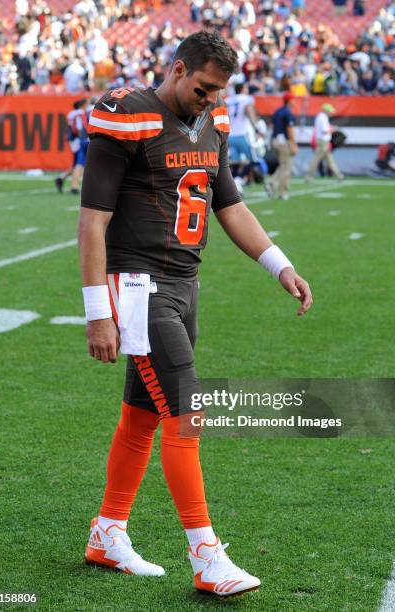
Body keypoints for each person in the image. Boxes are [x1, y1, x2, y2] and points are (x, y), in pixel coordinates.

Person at [78, 30, 313, 597]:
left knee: (143, 414)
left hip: (185, 285)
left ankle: (107, 532)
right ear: (179, 69)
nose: (210, 98)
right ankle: (206, 556)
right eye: (203, 87)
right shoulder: (127, 113)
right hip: (138, 286)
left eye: (218, 90)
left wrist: (279, 265)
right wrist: (97, 312)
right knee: (187, 412)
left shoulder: (213, 125)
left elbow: (228, 205)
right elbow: (91, 220)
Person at [225, 82, 261, 193]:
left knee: (235, 162)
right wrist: (256, 127)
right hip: (242, 134)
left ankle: (236, 183)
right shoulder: (246, 99)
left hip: (230, 135)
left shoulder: (229, 100)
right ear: (242, 89)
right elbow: (249, 111)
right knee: (253, 160)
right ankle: (239, 181)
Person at [266, 91, 298, 200]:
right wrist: (293, 144)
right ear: (289, 100)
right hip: (284, 141)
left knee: (283, 165)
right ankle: (282, 192)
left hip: (275, 140)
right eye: (293, 99)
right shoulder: (288, 113)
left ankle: (272, 183)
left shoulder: (278, 111)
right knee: (286, 167)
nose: (295, 102)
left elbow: (272, 125)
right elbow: (289, 130)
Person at [56, 99, 90, 195]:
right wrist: (82, 137)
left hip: (73, 140)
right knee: (80, 163)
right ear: (82, 105)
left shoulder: (71, 113)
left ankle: (61, 178)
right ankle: (74, 186)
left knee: (77, 162)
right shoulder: (80, 113)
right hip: (79, 139)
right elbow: (79, 127)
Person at [305, 103, 344, 181]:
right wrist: (334, 129)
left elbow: (325, 129)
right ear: (326, 111)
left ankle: (339, 175)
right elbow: (325, 131)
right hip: (323, 141)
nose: (330, 113)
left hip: (323, 141)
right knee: (317, 159)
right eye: (329, 111)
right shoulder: (322, 117)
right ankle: (309, 176)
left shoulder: (321, 117)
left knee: (328, 159)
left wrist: (332, 128)